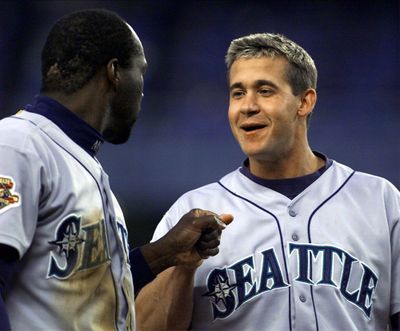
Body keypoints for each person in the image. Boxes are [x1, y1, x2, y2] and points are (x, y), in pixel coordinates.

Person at [136, 33, 400, 330]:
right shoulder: (193, 210)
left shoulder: (380, 200)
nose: (247, 106)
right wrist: (183, 269)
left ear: (304, 101)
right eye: (237, 93)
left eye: (264, 91)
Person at [0, 9, 233, 331]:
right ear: (114, 72)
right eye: (140, 73)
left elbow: (90, 291)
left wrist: (164, 253)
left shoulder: (80, 161)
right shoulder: (17, 144)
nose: (141, 91)